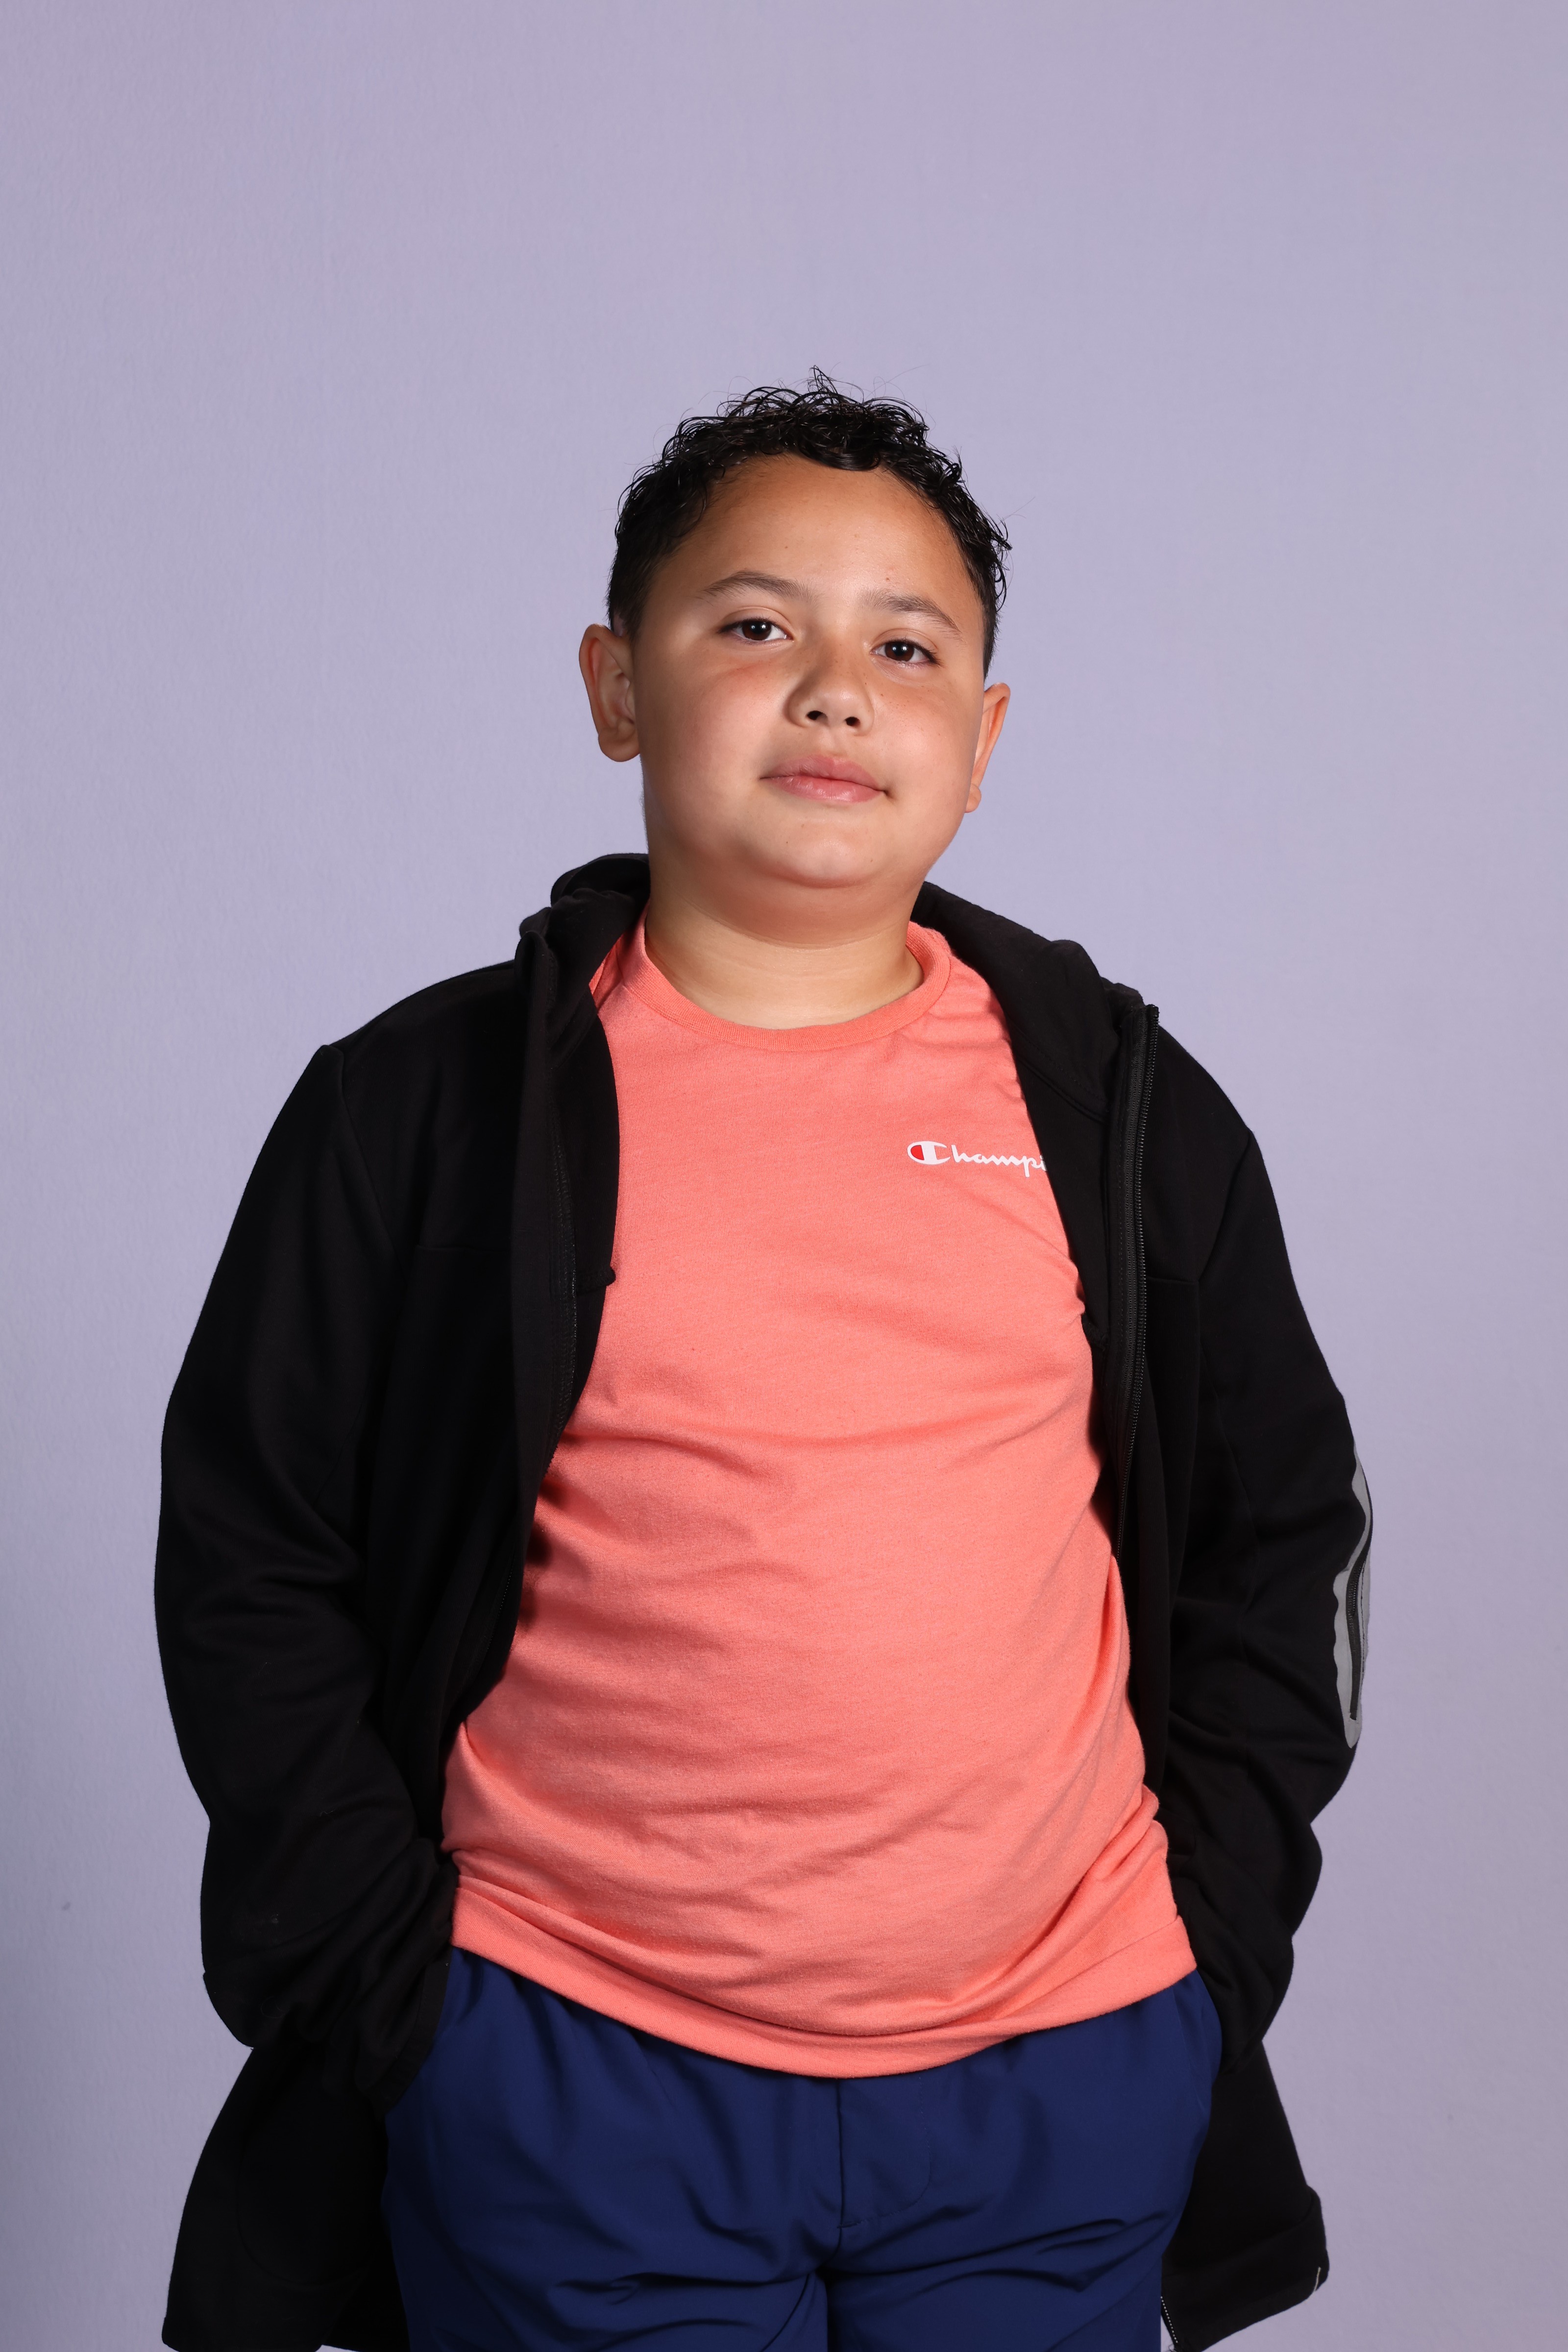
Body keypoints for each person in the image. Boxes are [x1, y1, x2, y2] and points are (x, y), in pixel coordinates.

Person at [156, 375, 1371, 2352]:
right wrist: (401, 2004)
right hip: (565, 2067)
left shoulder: (1120, 1112)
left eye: (905, 648)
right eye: (752, 624)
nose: (833, 693)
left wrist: (1200, 1948)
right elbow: (250, 1561)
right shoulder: (424, 1111)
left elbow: (1285, 1536)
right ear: (614, 687)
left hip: (1059, 2073)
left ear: (981, 740)